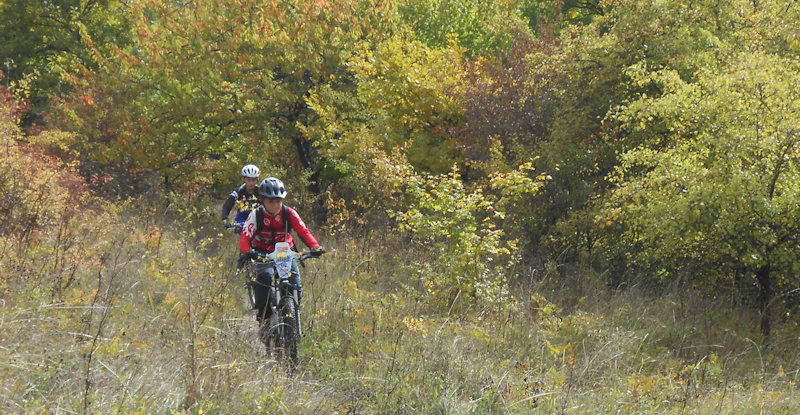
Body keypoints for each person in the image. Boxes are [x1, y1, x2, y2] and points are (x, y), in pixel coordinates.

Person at [239, 177, 324, 322]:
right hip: (262, 251)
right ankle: (264, 318)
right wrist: (247, 251)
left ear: (283, 200)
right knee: (264, 280)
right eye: (270, 201)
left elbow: (303, 231)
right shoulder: (256, 215)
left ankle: (291, 314)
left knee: (294, 284)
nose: (275, 205)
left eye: (278, 201)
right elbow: (245, 237)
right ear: (262, 200)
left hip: (284, 251)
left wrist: (315, 246)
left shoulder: (289, 213)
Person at [221, 164, 261, 233]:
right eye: (249, 180)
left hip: (258, 218)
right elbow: (226, 207)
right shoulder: (239, 191)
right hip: (242, 219)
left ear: (257, 180)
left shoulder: (261, 192)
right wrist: (225, 220)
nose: (251, 183)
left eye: (253, 180)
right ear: (244, 179)